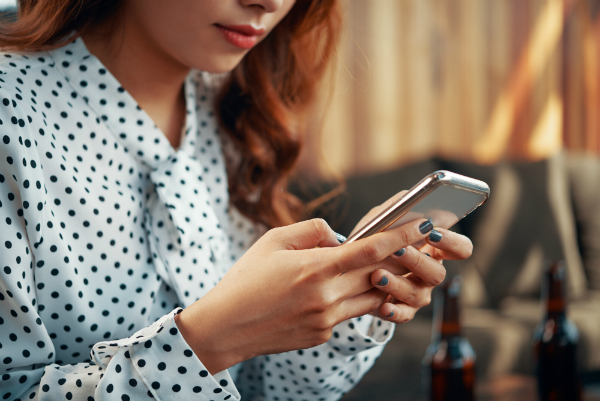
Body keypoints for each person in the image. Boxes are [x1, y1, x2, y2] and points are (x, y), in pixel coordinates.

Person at [0, 1, 473, 400]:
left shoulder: (229, 111)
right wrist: (209, 340)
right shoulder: (11, 117)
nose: (268, 2)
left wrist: (347, 297)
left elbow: (265, 388)